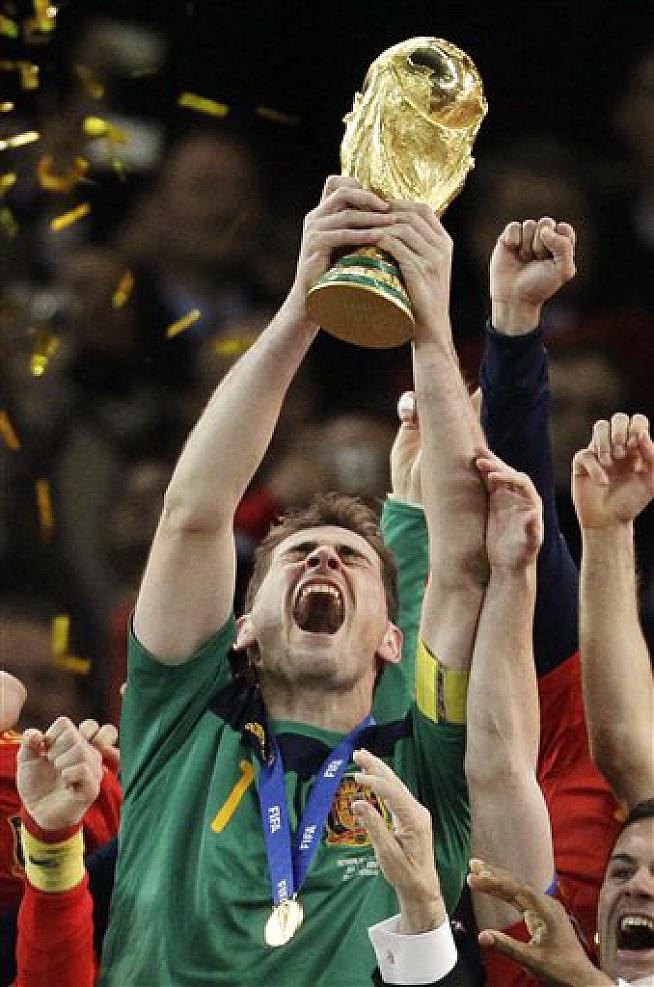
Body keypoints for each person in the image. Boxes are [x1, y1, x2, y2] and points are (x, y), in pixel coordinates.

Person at [99, 176, 478, 986]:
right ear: (241, 628)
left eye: (351, 557)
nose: (323, 560)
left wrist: (432, 328)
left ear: (392, 638)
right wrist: (304, 306)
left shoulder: (422, 762)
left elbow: (465, 562)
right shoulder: (182, 719)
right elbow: (194, 513)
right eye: (298, 554)